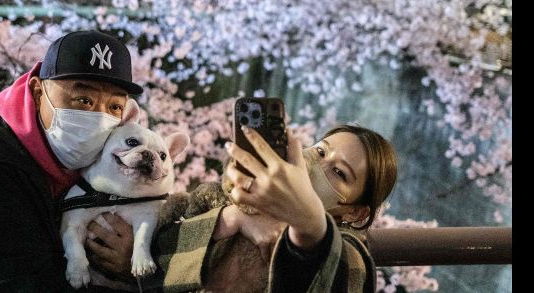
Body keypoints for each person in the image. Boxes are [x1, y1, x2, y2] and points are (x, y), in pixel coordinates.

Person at [0, 30, 145, 292]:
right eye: (84, 100)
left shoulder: (92, 168)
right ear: (38, 93)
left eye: (114, 107)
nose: (98, 117)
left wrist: (135, 260)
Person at [88, 124, 398, 293]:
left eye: (340, 173)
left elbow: (338, 273)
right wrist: (229, 219)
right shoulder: (229, 200)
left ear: (355, 212)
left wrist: (310, 225)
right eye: (320, 150)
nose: (317, 163)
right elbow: (160, 263)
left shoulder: (348, 253)